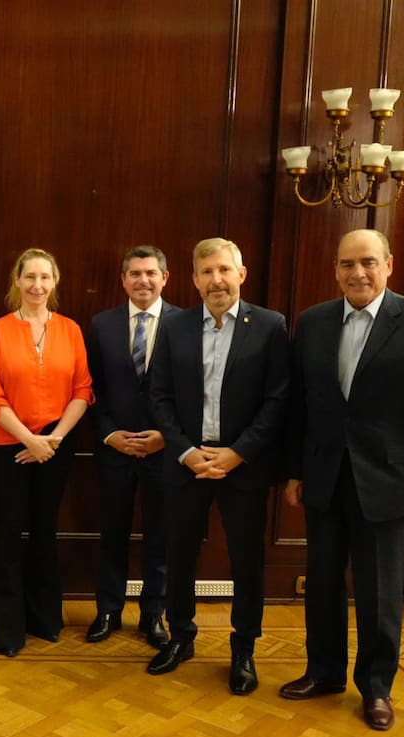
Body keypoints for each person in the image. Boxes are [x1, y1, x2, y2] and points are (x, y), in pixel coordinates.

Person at [279, 229, 404, 731]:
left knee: (380, 590)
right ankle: (324, 672)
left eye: (367, 263)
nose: (357, 273)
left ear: (389, 264)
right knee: (321, 582)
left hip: (389, 480)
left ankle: (377, 688)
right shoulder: (313, 322)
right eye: (347, 264)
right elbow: (301, 406)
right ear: (335, 269)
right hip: (324, 476)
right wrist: (294, 471)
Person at [147, 237, 288, 695]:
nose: (216, 280)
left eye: (224, 270)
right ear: (193, 279)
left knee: (247, 561)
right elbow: (159, 396)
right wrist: (186, 452)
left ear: (241, 275)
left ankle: (243, 648)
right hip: (187, 461)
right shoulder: (174, 327)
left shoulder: (269, 326)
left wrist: (238, 452)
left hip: (242, 465)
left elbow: (278, 400)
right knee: (179, 554)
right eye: (206, 272)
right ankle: (181, 636)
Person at [0, 248, 93, 657]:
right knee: (8, 533)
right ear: (17, 281)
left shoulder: (71, 330)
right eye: (29, 277)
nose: (37, 285)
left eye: (45, 277)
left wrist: (53, 440)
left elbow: (82, 390)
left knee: (45, 531)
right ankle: (6, 628)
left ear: (55, 281)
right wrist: (29, 441)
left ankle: (44, 618)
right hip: (7, 446)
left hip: (57, 446)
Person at [86, 245, 176, 648]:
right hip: (114, 450)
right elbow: (91, 390)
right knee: (112, 532)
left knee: (161, 534)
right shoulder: (101, 325)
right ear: (123, 280)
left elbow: (190, 394)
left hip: (164, 450)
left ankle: (153, 613)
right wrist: (110, 434)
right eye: (135, 273)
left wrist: (165, 435)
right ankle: (108, 610)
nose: (143, 280)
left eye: (151, 273)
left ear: (165, 278)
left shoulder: (184, 324)